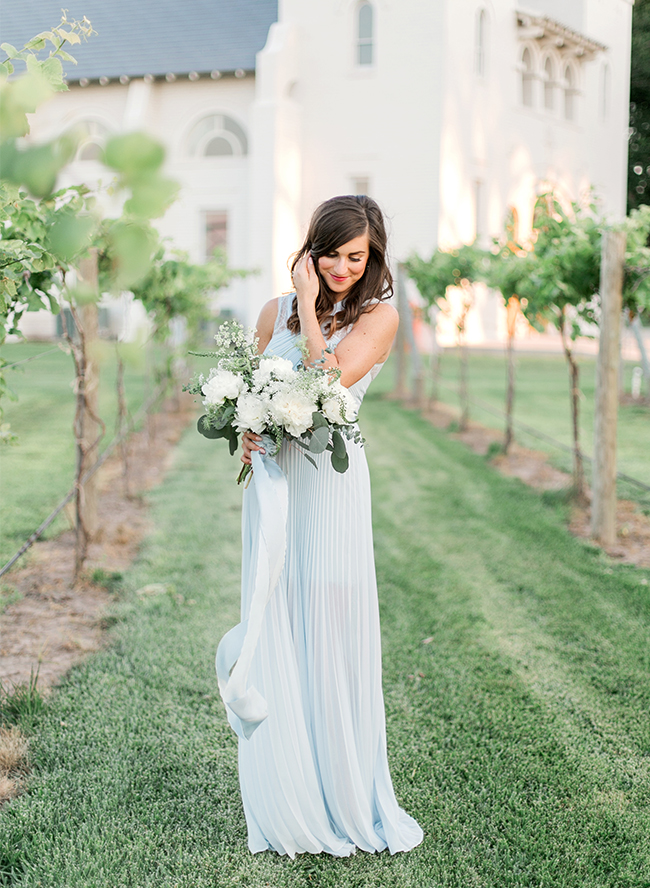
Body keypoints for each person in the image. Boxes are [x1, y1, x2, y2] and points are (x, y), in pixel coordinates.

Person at [234, 195, 423, 857]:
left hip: (332, 489)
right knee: (277, 621)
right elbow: (248, 393)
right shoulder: (267, 313)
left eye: (356, 256)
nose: (342, 266)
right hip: (277, 487)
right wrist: (244, 437)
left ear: (372, 260)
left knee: (329, 628)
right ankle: (286, 791)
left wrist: (312, 311)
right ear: (311, 249)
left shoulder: (379, 318)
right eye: (332, 252)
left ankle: (341, 794)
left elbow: (326, 384)